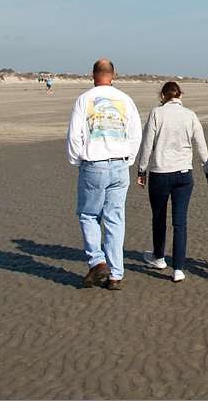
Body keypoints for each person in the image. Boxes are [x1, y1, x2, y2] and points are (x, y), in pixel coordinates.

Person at [67, 59, 142, 291]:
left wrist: (77, 159)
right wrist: (128, 158)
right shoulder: (126, 100)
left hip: (95, 164)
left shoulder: (83, 99)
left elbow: (74, 136)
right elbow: (135, 134)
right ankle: (116, 274)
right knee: (114, 219)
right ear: (114, 75)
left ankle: (97, 261)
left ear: (92, 74)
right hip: (118, 165)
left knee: (89, 215)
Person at [136, 82, 208, 283]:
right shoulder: (190, 115)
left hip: (160, 173)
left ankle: (159, 257)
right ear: (180, 96)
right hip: (183, 174)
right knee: (180, 221)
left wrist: (141, 170)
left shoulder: (156, 114)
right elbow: (200, 146)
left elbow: (147, 144)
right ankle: (178, 268)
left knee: (159, 217)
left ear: (163, 95)